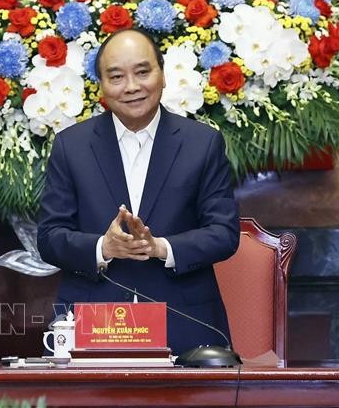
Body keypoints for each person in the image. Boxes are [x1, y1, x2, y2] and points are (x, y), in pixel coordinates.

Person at [37, 28, 240, 355]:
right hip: (92, 322)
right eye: (116, 76)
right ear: (101, 85)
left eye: (143, 72)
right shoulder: (70, 146)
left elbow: (224, 233)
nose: (131, 87)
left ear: (162, 75)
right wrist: (105, 247)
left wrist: (160, 247)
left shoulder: (202, 143)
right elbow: (49, 237)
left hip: (186, 324)